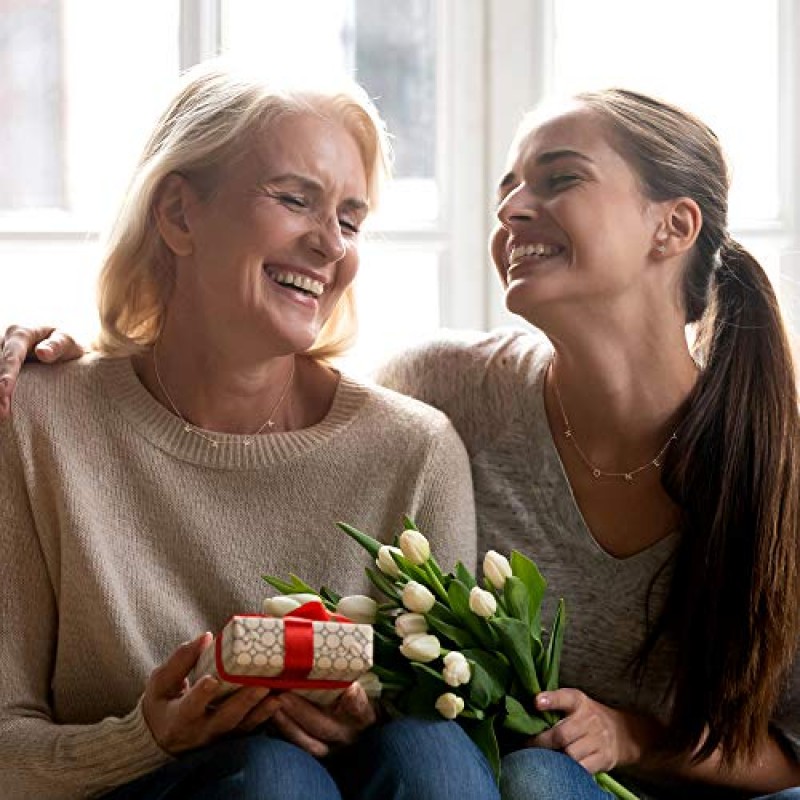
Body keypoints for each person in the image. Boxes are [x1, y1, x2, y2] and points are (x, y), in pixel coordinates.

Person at [3, 88, 799, 800]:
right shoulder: (448, 393)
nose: (512, 209)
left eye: (559, 179)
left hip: (672, 783)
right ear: (176, 215)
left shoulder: (766, 452)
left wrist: (636, 735)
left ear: (674, 225)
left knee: (473, 759)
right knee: (462, 762)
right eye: (508, 188)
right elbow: (217, 360)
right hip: (486, 775)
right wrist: (59, 359)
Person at [0, 62, 498, 800]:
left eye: (351, 220)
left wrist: (368, 715)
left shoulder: (414, 450)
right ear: (178, 214)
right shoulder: (38, 420)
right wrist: (148, 738)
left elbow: (455, 708)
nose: (331, 245)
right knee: (272, 774)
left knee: (431, 747)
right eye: (296, 199)